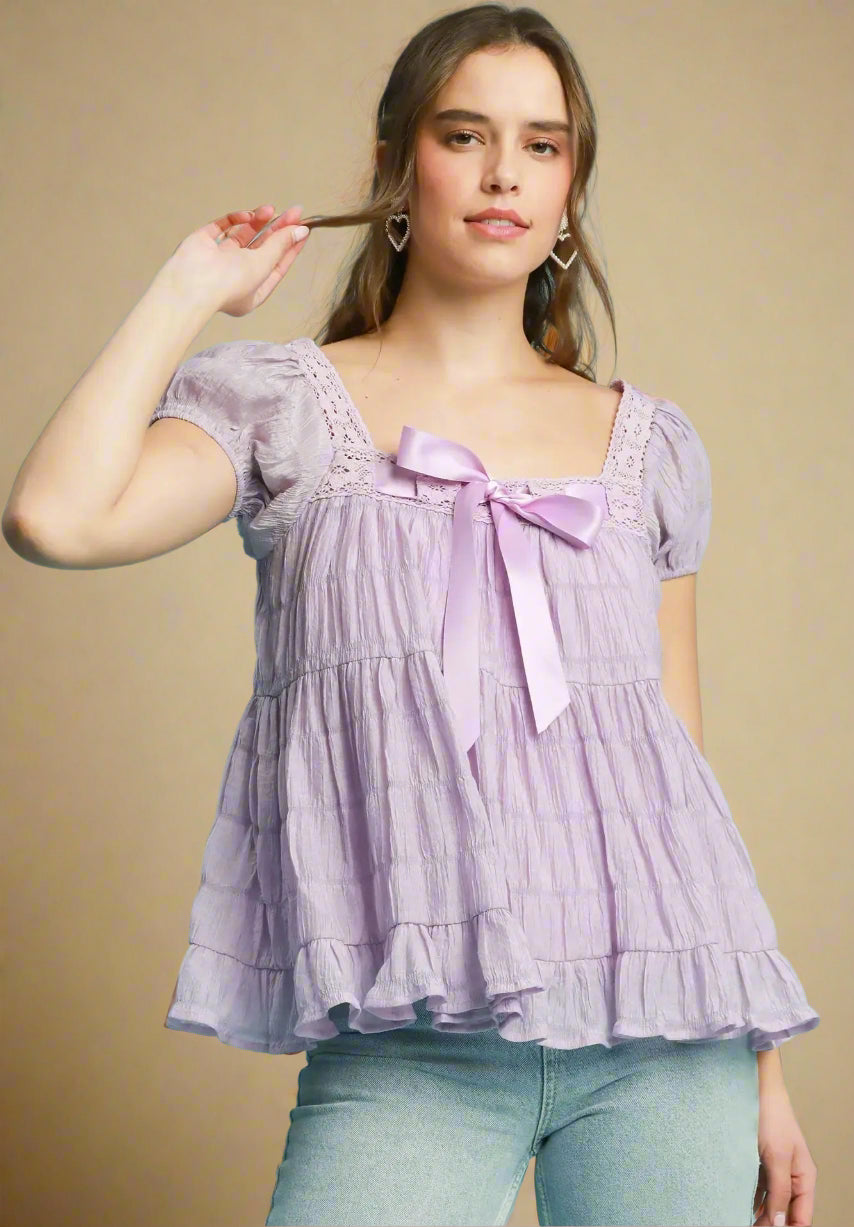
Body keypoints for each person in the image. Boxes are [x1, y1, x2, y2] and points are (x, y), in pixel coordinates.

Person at [3, 5, 820, 1225]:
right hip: (414, 1044)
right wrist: (187, 288)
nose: (503, 173)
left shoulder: (646, 445)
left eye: (541, 145)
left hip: (666, 1043)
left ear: (569, 189)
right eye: (463, 134)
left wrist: (763, 1064)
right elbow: (56, 520)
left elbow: (676, 775)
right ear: (396, 167)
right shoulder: (285, 405)